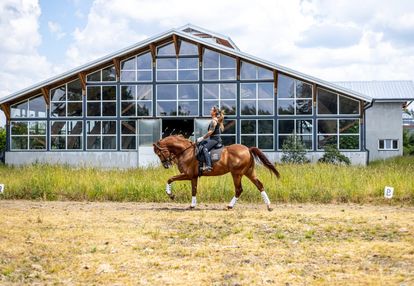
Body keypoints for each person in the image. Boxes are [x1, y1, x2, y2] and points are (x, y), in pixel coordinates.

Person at [197, 106, 225, 173]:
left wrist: (202, 138)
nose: (210, 111)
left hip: (215, 140)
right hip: (213, 139)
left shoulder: (214, 121)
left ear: (214, 112)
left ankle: (209, 166)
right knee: (201, 144)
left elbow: (211, 132)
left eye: (211, 110)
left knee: (205, 148)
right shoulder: (215, 120)